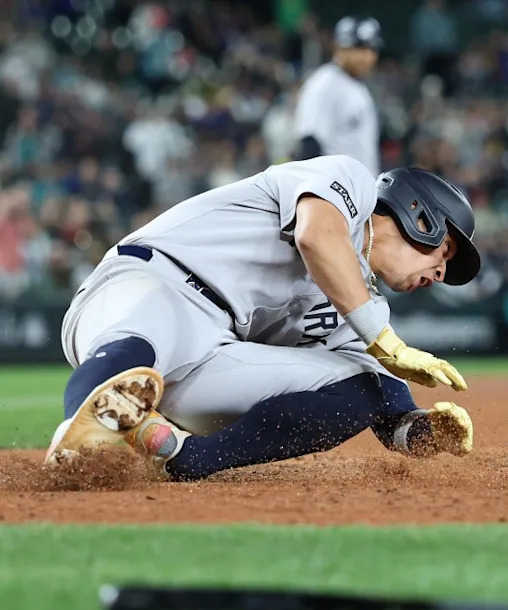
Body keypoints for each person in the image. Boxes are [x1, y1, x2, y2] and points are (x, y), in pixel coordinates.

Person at [45, 154, 482, 480]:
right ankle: (78, 439)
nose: (442, 272)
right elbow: (315, 237)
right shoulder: (350, 182)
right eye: (445, 251)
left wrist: (419, 431)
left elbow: (380, 391)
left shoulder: (367, 306)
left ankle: (187, 459)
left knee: (367, 385)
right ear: (418, 216)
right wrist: (386, 342)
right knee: (141, 344)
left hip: (214, 353)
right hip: (154, 282)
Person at [293, 16, 382, 173]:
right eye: (358, 48)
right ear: (337, 47)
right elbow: (309, 144)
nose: (365, 57)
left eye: (370, 49)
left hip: (360, 189)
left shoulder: (358, 86)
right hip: (335, 189)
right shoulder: (324, 84)